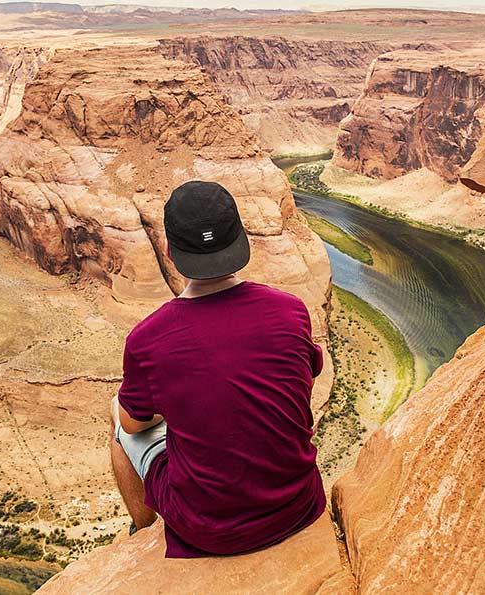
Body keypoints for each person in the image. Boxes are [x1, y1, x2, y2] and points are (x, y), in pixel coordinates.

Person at [110, 180, 325, 558]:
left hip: (210, 531)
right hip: (299, 506)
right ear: (241, 240)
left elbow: (134, 426)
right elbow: (305, 376)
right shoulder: (290, 310)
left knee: (118, 418)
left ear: (169, 251)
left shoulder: (148, 339)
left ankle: (143, 530)